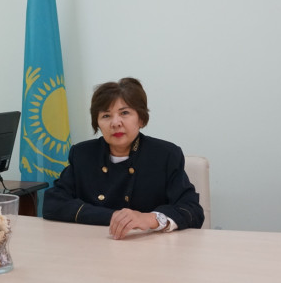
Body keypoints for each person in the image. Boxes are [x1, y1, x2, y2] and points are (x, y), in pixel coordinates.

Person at [43, 77, 204, 239]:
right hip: (94, 243)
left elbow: (192, 210)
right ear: (97, 122)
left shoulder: (165, 155)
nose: (115, 123)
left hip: (150, 245)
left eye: (124, 113)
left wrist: (149, 219)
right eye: (106, 115)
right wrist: (114, 217)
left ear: (141, 119)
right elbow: (53, 203)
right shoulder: (83, 154)